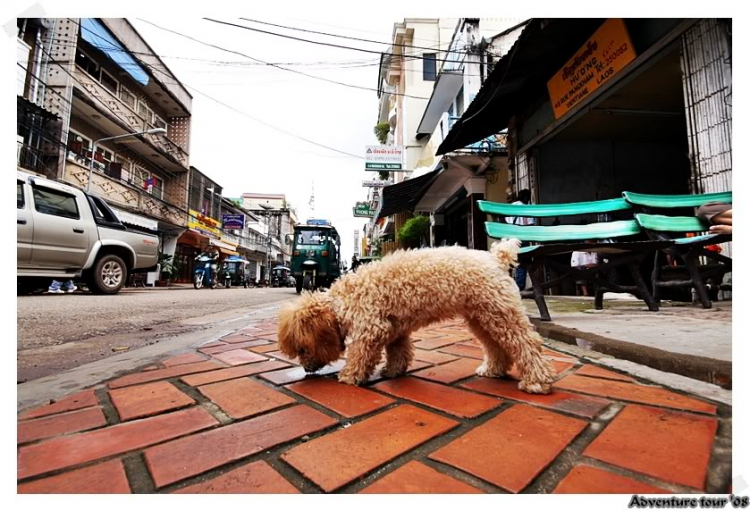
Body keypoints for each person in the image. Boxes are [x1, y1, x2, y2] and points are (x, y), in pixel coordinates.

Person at [506, 189, 535, 291]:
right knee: (524, 263)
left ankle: (514, 286)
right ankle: (520, 287)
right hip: (523, 239)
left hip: (512, 239)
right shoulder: (526, 208)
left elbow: (507, 222)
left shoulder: (511, 207)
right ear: (526, 197)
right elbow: (531, 225)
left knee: (515, 263)